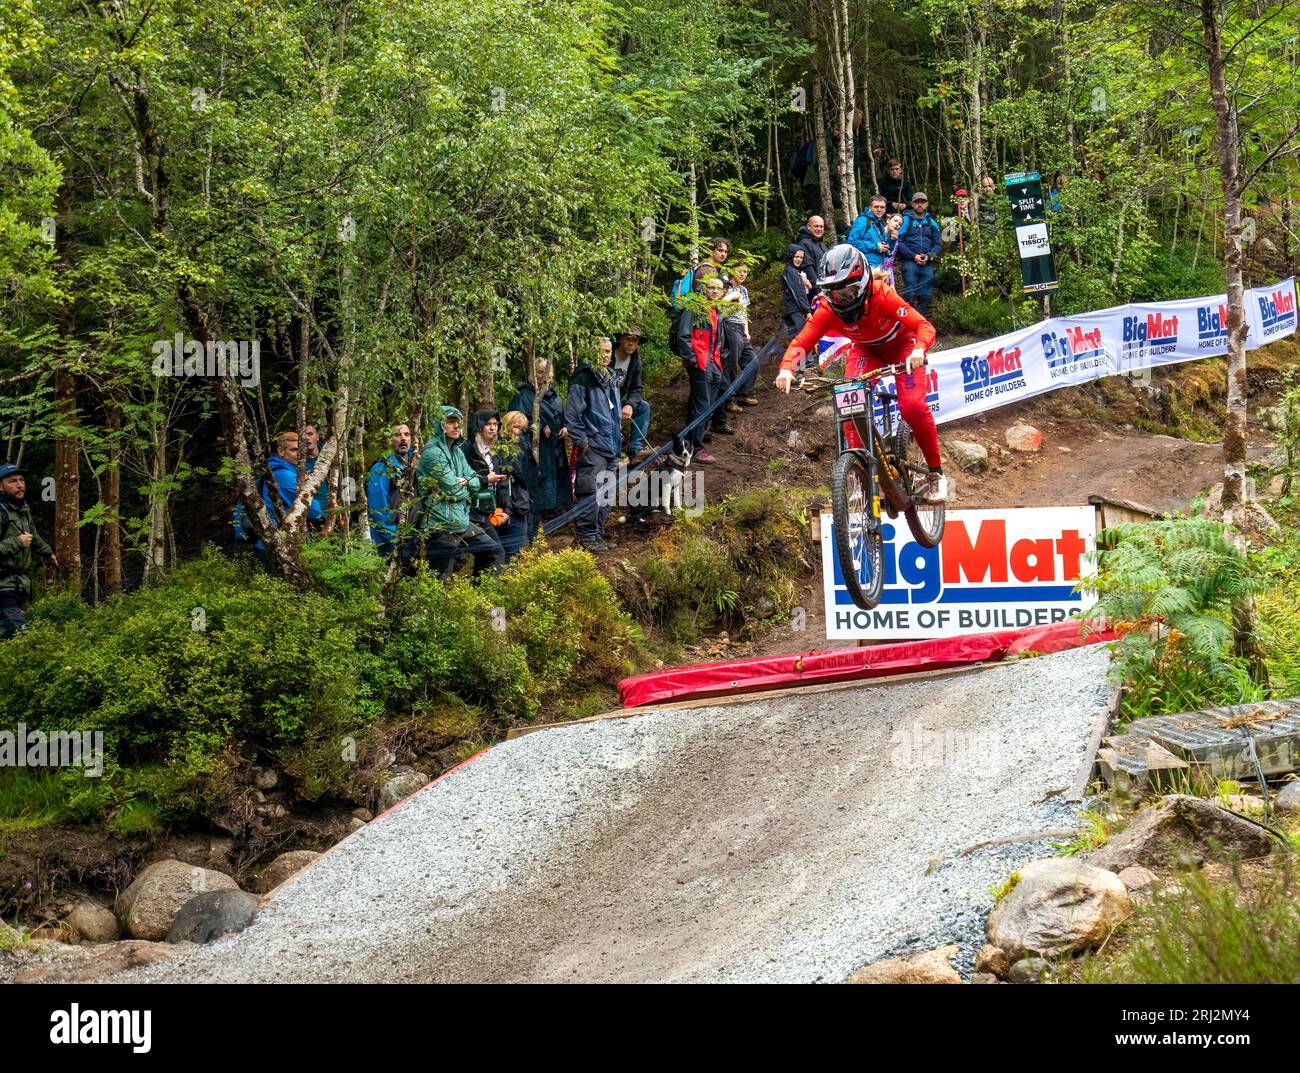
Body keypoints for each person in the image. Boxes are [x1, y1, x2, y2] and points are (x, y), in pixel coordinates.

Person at [772, 244, 947, 504]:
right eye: (834, 293)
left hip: (903, 347)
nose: (841, 299)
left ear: (863, 283)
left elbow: (922, 325)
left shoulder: (881, 295)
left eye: (848, 291)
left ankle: (935, 473)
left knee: (912, 406)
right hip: (867, 350)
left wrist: (919, 349)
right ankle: (860, 472)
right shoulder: (828, 309)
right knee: (848, 405)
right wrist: (787, 368)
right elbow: (802, 342)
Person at [415, 405, 504, 578]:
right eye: (450, 422)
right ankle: (432, 605)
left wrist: (465, 483)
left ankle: (481, 600)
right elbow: (454, 490)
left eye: (457, 422)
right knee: (439, 578)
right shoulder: (433, 453)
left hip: (461, 521)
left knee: (493, 552)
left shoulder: (457, 451)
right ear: (439, 425)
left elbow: (474, 480)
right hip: (439, 524)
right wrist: (464, 486)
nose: (456, 426)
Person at [564, 337, 622, 551]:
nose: (606, 355)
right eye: (602, 351)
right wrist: (582, 442)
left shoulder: (611, 377)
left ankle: (597, 535)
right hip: (593, 447)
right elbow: (572, 415)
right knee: (590, 491)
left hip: (612, 446)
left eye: (608, 351)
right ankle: (585, 537)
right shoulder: (583, 377)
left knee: (607, 494)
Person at [508, 361, 571, 537]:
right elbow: (514, 424)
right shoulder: (525, 396)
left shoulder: (555, 396)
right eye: (540, 372)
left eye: (547, 372)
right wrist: (537, 427)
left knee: (557, 486)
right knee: (538, 489)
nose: (544, 376)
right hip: (535, 452)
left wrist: (565, 427)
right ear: (534, 374)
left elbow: (562, 416)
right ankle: (533, 532)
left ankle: (553, 524)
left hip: (555, 451)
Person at [675, 275, 729, 464]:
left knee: (708, 405)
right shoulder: (694, 309)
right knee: (702, 406)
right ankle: (697, 448)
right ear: (704, 289)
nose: (715, 291)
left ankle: (689, 442)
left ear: (723, 292)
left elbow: (718, 339)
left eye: (718, 289)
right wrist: (692, 359)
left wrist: (721, 358)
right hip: (700, 363)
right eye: (711, 287)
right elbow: (683, 336)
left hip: (714, 364)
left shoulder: (717, 311)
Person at [0, 462, 57, 638]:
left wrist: (48, 552)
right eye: (13, 481)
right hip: (2, 588)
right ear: (0, 486)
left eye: (22, 480)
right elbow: (22, 540)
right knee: (22, 634)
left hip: (21, 586)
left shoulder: (22, 509)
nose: (20, 485)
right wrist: (17, 542)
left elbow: (33, 536)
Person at [366, 422, 416, 556]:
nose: (403, 438)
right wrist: (396, 538)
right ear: (389, 440)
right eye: (397, 435)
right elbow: (378, 511)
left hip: (409, 537)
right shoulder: (380, 469)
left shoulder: (413, 464)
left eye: (407, 434)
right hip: (387, 542)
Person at [494, 411, 535, 559]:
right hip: (510, 503)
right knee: (509, 553)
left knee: (514, 552)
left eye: (522, 429)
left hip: (520, 501)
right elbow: (522, 475)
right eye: (516, 427)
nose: (518, 433)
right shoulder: (502, 449)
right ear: (507, 426)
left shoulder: (522, 446)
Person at [460, 409, 509, 531]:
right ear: (479, 426)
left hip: (495, 508)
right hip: (473, 510)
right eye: (488, 424)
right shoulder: (467, 449)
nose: (493, 428)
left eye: (495, 424)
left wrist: (506, 511)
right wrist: (486, 479)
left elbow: (505, 484)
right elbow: (462, 478)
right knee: (494, 549)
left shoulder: (499, 450)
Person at [897, 191, 943, 316]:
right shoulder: (905, 220)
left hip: (927, 261)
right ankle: (909, 320)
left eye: (922, 202)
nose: (920, 205)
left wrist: (929, 256)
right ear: (912, 204)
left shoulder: (932, 222)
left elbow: (938, 244)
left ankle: (922, 321)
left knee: (926, 294)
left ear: (927, 204)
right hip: (910, 261)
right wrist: (913, 256)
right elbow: (899, 242)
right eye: (917, 202)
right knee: (910, 292)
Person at [721, 263, 759, 408]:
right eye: (740, 271)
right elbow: (720, 309)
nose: (743, 274)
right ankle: (728, 400)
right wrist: (732, 297)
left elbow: (745, 312)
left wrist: (747, 330)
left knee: (753, 363)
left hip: (741, 329)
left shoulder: (743, 290)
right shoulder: (726, 287)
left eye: (745, 272)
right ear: (732, 271)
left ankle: (744, 394)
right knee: (730, 365)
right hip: (729, 327)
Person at [612, 330, 652, 461]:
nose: (631, 344)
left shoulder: (635, 362)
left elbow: (636, 388)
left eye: (634, 341)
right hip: (601, 403)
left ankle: (636, 450)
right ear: (620, 339)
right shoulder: (607, 354)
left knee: (643, 407)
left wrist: (629, 404)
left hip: (617, 402)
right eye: (628, 339)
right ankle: (614, 454)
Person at [845, 194, 891, 268]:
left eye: (882, 207)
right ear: (870, 208)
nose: (879, 209)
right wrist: (876, 247)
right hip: (866, 266)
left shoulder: (880, 223)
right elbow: (852, 242)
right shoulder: (862, 221)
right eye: (876, 207)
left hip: (879, 266)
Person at [781, 246, 814, 343]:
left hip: (791, 309)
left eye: (801, 257)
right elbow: (799, 293)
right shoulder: (791, 271)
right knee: (802, 337)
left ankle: (798, 357)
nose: (799, 259)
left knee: (796, 338)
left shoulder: (792, 271)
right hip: (795, 309)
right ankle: (806, 358)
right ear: (791, 256)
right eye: (796, 257)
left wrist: (808, 285)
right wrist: (808, 311)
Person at [793, 215, 828, 292]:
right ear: (809, 226)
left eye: (821, 227)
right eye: (816, 226)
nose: (819, 229)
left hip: (826, 285)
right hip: (814, 290)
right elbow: (807, 268)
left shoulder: (820, 243)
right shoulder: (804, 244)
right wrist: (818, 289)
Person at [881, 213, 903, 288]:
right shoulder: (876, 233)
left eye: (899, 224)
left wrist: (892, 283)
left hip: (885, 274)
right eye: (895, 221)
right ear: (888, 220)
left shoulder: (896, 242)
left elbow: (889, 263)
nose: (897, 224)